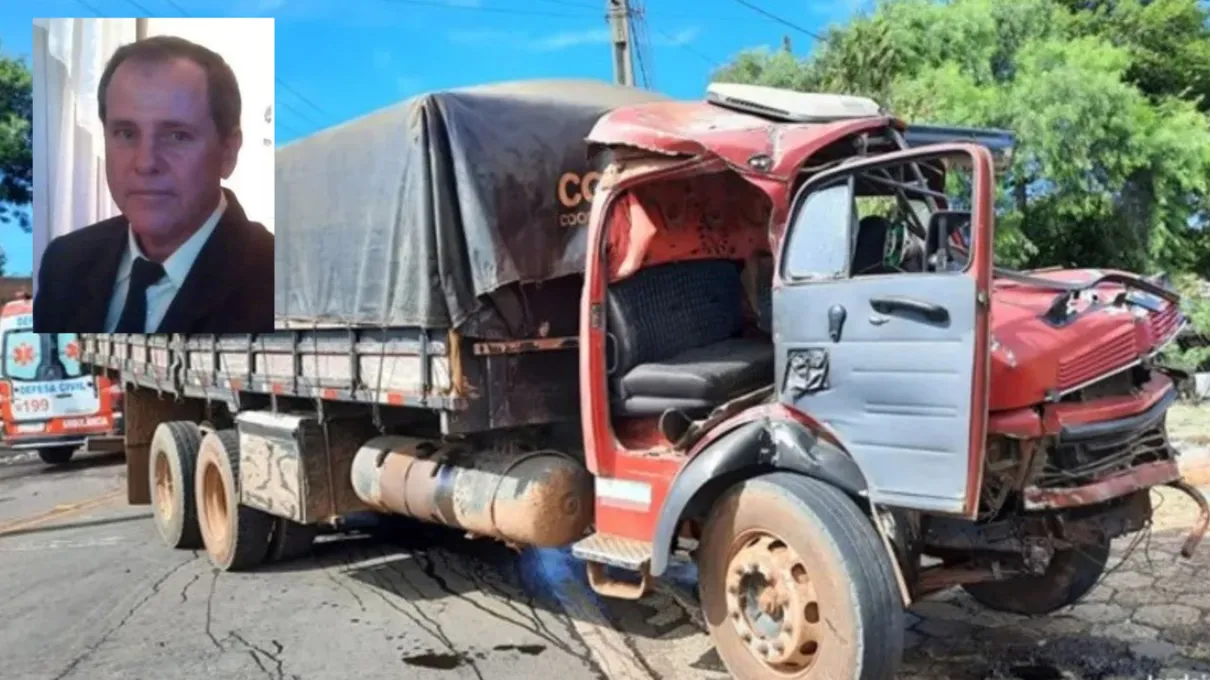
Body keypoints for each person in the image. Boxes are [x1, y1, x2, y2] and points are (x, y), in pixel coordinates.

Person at [33, 35, 273, 334]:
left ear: (228, 151)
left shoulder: (276, 280)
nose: (146, 163)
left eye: (177, 136)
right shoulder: (65, 262)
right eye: (126, 133)